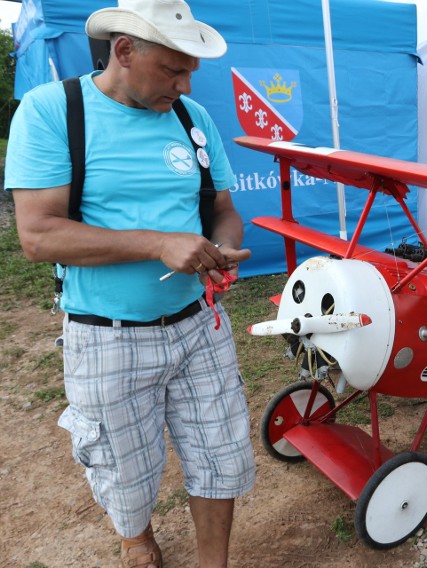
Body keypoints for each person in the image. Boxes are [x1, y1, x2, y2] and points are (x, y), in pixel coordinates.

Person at [4, 1, 255, 566]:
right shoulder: (54, 111)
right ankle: (137, 536)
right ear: (124, 50)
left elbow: (222, 208)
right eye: (172, 70)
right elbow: (38, 236)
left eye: (191, 71)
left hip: (198, 326)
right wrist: (157, 243)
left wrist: (222, 246)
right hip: (106, 336)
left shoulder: (192, 117)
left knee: (220, 457)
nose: (185, 84)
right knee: (123, 468)